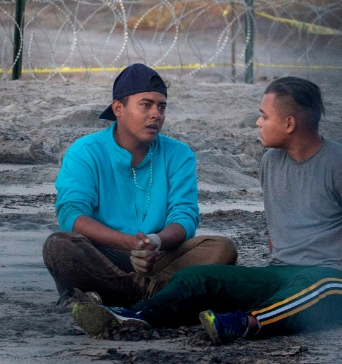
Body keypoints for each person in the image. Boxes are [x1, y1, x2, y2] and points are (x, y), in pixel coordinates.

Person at [69, 77, 342, 344]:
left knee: (315, 288)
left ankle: (244, 324)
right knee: (200, 278)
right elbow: (280, 225)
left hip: (338, 280)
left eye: (264, 116)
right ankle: (132, 316)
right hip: (281, 274)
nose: (257, 123)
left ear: (290, 123)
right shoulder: (270, 162)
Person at [42, 63, 238, 306]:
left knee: (222, 247)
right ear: (118, 109)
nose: (156, 114)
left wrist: (155, 242)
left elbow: (185, 216)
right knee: (59, 246)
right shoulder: (85, 152)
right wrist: (129, 243)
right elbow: (71, 215)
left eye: (161, 107)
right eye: (146, 105)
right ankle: (156, 297)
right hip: (103, 254)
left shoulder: (179, 155)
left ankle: (116, 296)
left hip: (157, 258)